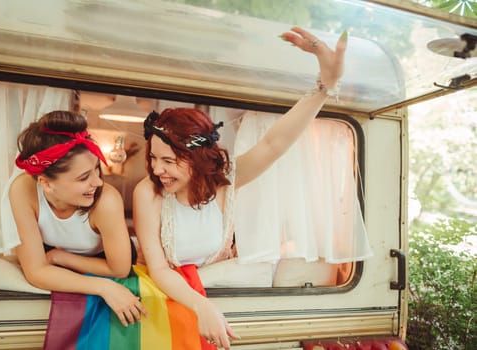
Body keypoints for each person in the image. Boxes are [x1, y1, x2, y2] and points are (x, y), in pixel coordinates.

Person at [133, 26, 347, 350]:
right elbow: (160, 270)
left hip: (215, 298)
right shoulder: (146, 193)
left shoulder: (227, 181)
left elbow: (275, 143)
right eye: (153, 158)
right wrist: (202, 306)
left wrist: (324, 87)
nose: (157, 169)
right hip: (160, 302)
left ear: (198, 157)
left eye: (169, 160)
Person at [7, 110, 147, 327]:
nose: (98, 183)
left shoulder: (107, 201)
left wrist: (60, 258)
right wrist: (104, 287)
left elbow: (119, 269)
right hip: (52, 254)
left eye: (96, 171)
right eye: (84, 177)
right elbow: (35, 272)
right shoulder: (22, 190)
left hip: (101, 259)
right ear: (45, 183)